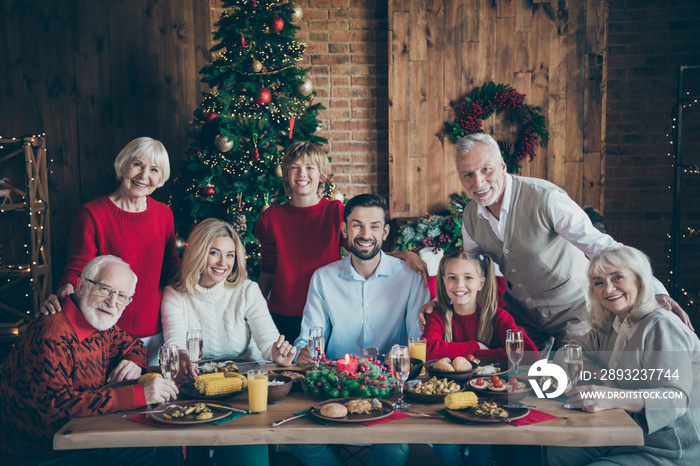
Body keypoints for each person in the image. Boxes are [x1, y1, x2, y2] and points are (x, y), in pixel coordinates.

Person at [421, 133, 689, 357]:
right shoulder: (470, 215)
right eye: (468, 174)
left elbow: (601, 246)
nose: (478, 182)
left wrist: (653, 289)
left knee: (575, 382)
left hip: (573, 310)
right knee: (516, 380)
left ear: (502, 165)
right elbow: (469, 268)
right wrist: (440, 300)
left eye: (485, 169)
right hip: (522, 315)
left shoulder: (545, 199)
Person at [290, 193, 431, 466]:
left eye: (374, 226)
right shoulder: (323, 278)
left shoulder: (411, 277)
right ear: (344, 229)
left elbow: (419, 341)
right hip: (334, 386)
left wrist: (404, 352)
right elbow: (307, 339)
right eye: (357, 225)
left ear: (385, 232)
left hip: (389, 387)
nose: (365, 234)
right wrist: (302, 352)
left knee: (393, 451)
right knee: (298, 441)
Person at [0, 255, 178, 464]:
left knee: (163, 450)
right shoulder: (51, 334)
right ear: (82, 286)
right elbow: (56, 407)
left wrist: (134, 362)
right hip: (44, 452)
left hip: (84, 438)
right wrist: (140, 394)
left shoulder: (97, 321)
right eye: (104, 289)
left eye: (121, 295)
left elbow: (133, 345)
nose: (112, 302)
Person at [255, 142, 428, 344]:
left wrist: (404, 255)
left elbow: (362, 248)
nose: (302, 174)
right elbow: (268, 269)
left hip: (327, 313)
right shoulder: (272, 218)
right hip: (283, 314)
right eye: (294, 167)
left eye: (310, 167)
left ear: (321, 175)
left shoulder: (335, 212)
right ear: (286, 174)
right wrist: (256, 312)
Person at [548, 245, 700, 465]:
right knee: (562, 449)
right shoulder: (613, 324)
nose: (608, 289)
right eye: (599, 282)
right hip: (623, 434)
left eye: (617, 277)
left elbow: (675, 398)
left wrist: (610, 396)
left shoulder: (661, 325)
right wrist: (604, 379)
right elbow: (565, 354)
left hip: (669, 448)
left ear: (639, 280)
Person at [161, 218, 296, 466]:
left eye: (230, 255)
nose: (223, 263)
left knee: (249, 460)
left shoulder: (247, 290)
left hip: (244, 393)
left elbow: (268, 342)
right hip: (195, 391)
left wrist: (278, 354)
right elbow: (175, 344)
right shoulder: (175, 294)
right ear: (198, 253)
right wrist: (180, 357)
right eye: (214, 253)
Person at [40, 137, 181, 365]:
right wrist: (64, 291)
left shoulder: (164, 214)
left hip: (156, 332)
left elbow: (172, 267)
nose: (144, 175)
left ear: (161, 176)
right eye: (137, 164)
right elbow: (78, 268)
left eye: (154, 169)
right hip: (107, 334)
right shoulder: (93, 214)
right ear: (123, 165)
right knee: (116, 397)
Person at [424, 250, 539, 466]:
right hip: (446, 402)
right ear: (443, 281)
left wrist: (469, 354)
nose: (459, 284)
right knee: (445, 447)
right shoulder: (438, 317)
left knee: (482, 451)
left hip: (489, 403)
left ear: (481, 283)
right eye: (452, 277)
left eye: (468, 277)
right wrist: (475, 346)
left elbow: (528, 354)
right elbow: (429, 351)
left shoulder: (498, 316)